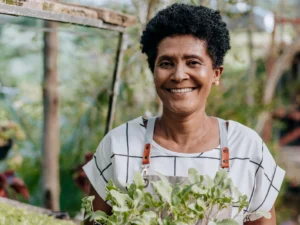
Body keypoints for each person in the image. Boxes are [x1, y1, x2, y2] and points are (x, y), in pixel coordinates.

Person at [83, 3, 285, 225]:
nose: (179, 75)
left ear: (216, 74)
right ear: (154, 73)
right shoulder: (118, 146)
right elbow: (94, 220)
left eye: (193, 62)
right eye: (166, 63)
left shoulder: (247, 148)